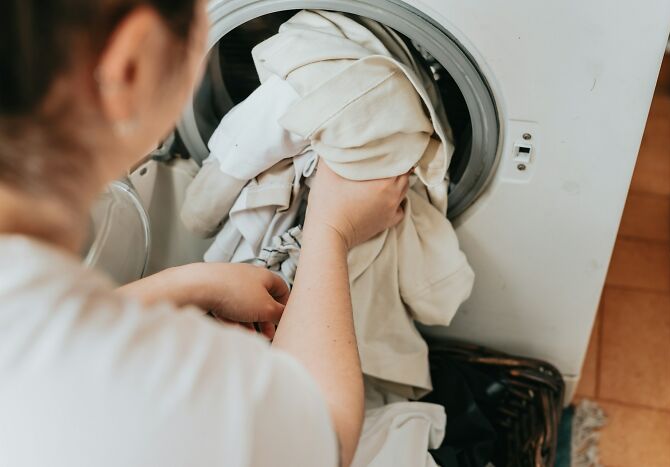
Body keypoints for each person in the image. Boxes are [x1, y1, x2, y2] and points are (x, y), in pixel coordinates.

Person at [0, 1, 410, 466]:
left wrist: (183, 284)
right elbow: (328, 438)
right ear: (128, 67)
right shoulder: (164, 393)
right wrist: (331, 228)